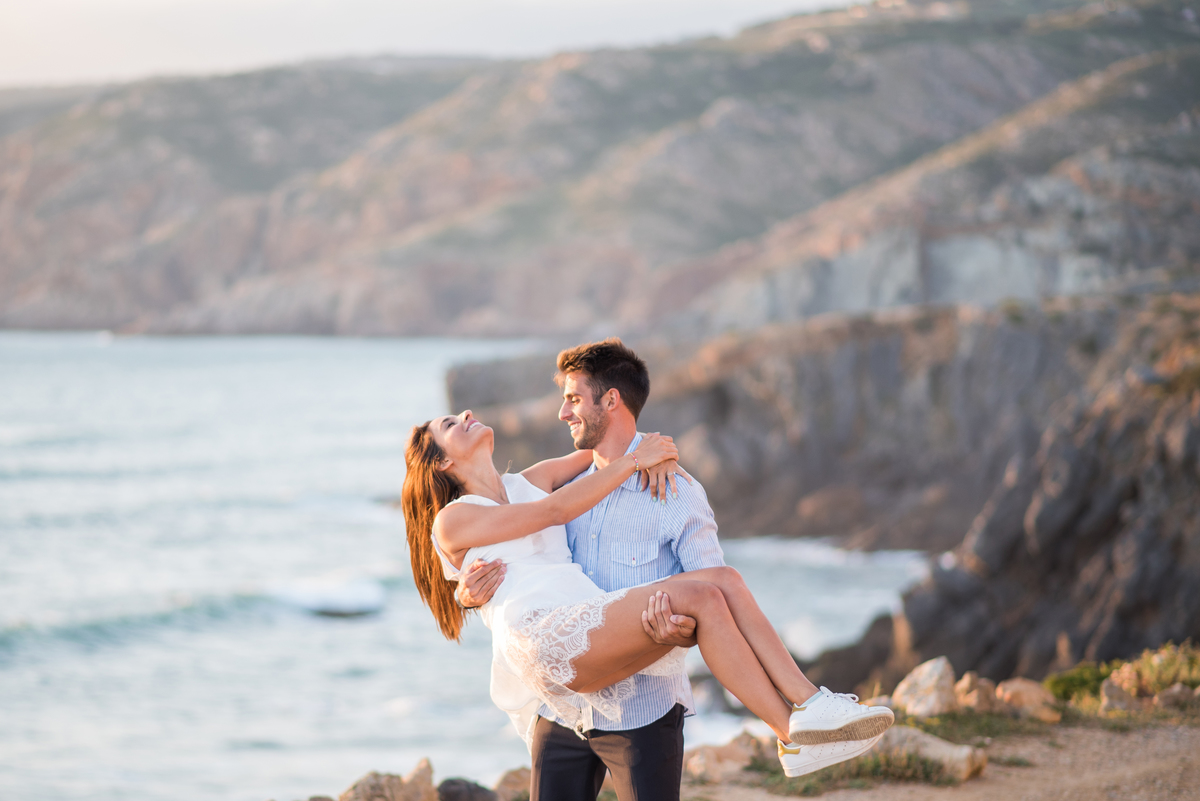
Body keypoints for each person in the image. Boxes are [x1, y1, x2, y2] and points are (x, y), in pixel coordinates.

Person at [402, 340, 893, 801]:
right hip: (545, 638)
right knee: (703, 595)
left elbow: (601, 448)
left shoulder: (532, 481)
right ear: (441, 462)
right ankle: (789, 729)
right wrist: (466, 595)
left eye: (574, 399)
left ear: (611, 399)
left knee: (723, 582)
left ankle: (809, 711)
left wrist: (652, 451)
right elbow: (554, 513)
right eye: (450, 423)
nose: (466, 415)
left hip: (617, 666)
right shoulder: (455, 518)